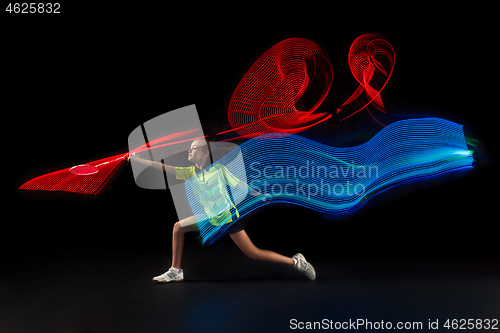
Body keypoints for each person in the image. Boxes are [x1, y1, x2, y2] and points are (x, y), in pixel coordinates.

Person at [127, 139, 316, 282]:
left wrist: (258, 194)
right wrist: (140, 161)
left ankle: (296, 262)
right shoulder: (190, 172)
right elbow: (162, 167)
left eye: (193, 148)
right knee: (178, 227)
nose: (189, 151)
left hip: (227, 218)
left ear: (203, 154)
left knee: (253, 254)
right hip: (209, 216)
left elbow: (239, 184)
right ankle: (175, 271)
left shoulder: (217, 169)